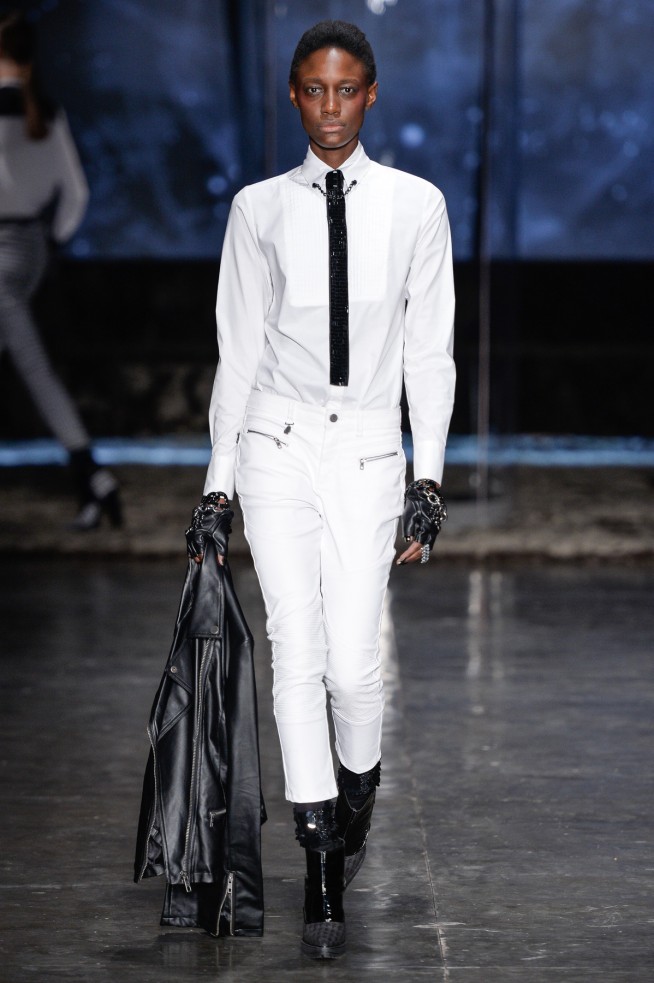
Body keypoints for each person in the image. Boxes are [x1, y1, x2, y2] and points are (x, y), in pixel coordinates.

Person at [186, 20, 455, 959]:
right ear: (293, 95)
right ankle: (321, 869)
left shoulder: (418, 205)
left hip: (371, 450)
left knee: (353, 666)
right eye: (313, 90)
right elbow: (238, 353)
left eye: (346, 90)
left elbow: (430, 353)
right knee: (296, 653)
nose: (330, 108)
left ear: (371, 94)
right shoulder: (256, 209)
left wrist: (429, 476)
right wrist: (217, 486)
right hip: (277, 443)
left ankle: (358, 796)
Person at [0, 9, 121, 530]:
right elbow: (75, 194)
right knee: (28, 363)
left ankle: (92, 473)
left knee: (32, 365)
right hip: (31, 248)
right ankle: (92, 479)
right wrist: (51, 241)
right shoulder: (45, 111)